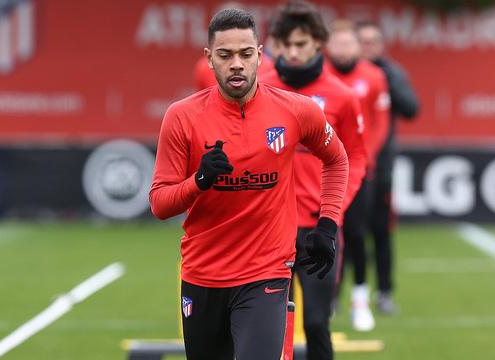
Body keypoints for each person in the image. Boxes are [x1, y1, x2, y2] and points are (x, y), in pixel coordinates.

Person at [149, 8, 349, 360]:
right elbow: (160, 204)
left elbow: (337, 159)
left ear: (260, 54)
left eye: (245, 54)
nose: (236, 64)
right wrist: (199, 180)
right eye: (225, 55)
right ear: (209, 59)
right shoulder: (181, 117)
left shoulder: (297, 110)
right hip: (203, 275)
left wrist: (328, 224)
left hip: (266, 273)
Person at [261, 2, 367, 358]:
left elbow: (355, 157)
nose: (292, 52)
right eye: (286, 44)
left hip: (317, 230)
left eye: (301, 44)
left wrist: (332, 212)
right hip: (268, 228)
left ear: (318, 43)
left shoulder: (342, 96)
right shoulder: (259, 89)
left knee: (318, 323)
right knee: (266, 325)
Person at [325, 19, 391, 332]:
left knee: (356, 234)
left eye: (348, 44)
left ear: (357, 47)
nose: (343, 50)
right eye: (337, 44)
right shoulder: (320, 77)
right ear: (328, 47)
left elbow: (380, 123)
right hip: (324, 171)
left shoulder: (374, 76)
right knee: (324, 234)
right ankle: (329, 298)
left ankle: (360, 301)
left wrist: (365, 158)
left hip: (360, 171)